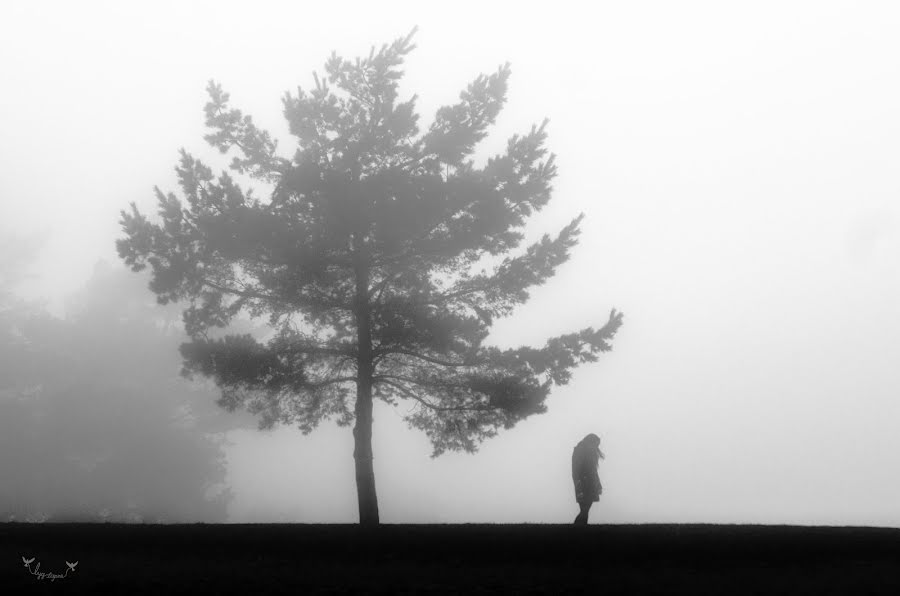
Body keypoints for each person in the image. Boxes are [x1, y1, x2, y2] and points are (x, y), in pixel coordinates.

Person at [572, 433, 604, 525]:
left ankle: (581, 527)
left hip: (589, 482)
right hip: (584, 483)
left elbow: (593, 471)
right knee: (584, 509)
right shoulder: (580, 450)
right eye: (596, 444)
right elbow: (577, 469)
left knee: (585, 509)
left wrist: (598, 484)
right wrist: (579, 482)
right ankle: (579, 527)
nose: (596, 447)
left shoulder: (587, 451)